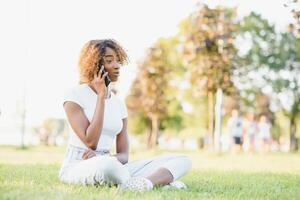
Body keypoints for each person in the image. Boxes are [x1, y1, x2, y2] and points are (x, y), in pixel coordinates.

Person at [58, 39, 192, 192]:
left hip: (112, 163)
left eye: (118, 61)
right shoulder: (74, 95)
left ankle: (145, 183)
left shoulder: (119, 103)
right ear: (94, 64)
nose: (117, 66)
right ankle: (160, 182)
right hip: (80, 164)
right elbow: (91, 142)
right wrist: (101, 97)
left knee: (182, 160)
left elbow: (123, 156)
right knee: (106, 167)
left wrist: (108, 158)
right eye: (109, 61)